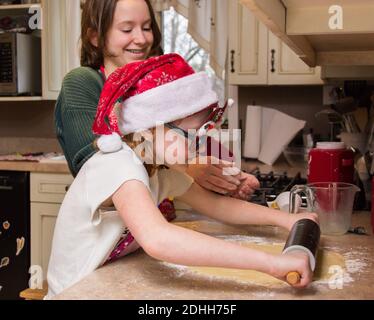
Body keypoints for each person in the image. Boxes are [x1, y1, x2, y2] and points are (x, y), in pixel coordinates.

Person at [46, 53, 318, 298]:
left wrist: (288, 220)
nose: (197, 145)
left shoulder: (156, 166)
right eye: (189, 135)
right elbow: (158, 239)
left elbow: (217, 205)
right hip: (74, 292)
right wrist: (271, 263)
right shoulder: (118, 165)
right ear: (149, 128)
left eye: (202, 134)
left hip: (102, 284)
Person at [55, 0, 259, 201]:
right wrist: (188, 167)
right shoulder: (82, 82)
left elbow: (198, 140)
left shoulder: (158, 86)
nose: (142, 39)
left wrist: (227, 174)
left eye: (146, 27)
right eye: (127, 29)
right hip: (112, 227)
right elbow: (94, 170)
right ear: (95, 37)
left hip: (167, 216)